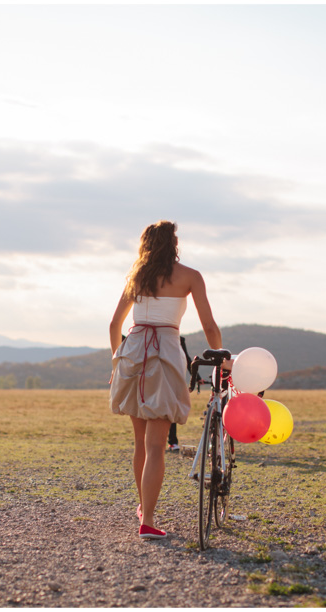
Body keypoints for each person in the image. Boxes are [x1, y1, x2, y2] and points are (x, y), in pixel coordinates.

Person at [109, 220, 223, 540]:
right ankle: (148, 521)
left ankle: (144, 509)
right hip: (165, 355)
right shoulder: (190, 276)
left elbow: (113, 324)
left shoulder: (136, 276)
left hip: (132, 355)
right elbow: (210, 326)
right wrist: (221, 357)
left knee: (141, 444)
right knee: (157, 446)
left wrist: (116, 362)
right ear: (174, 242)